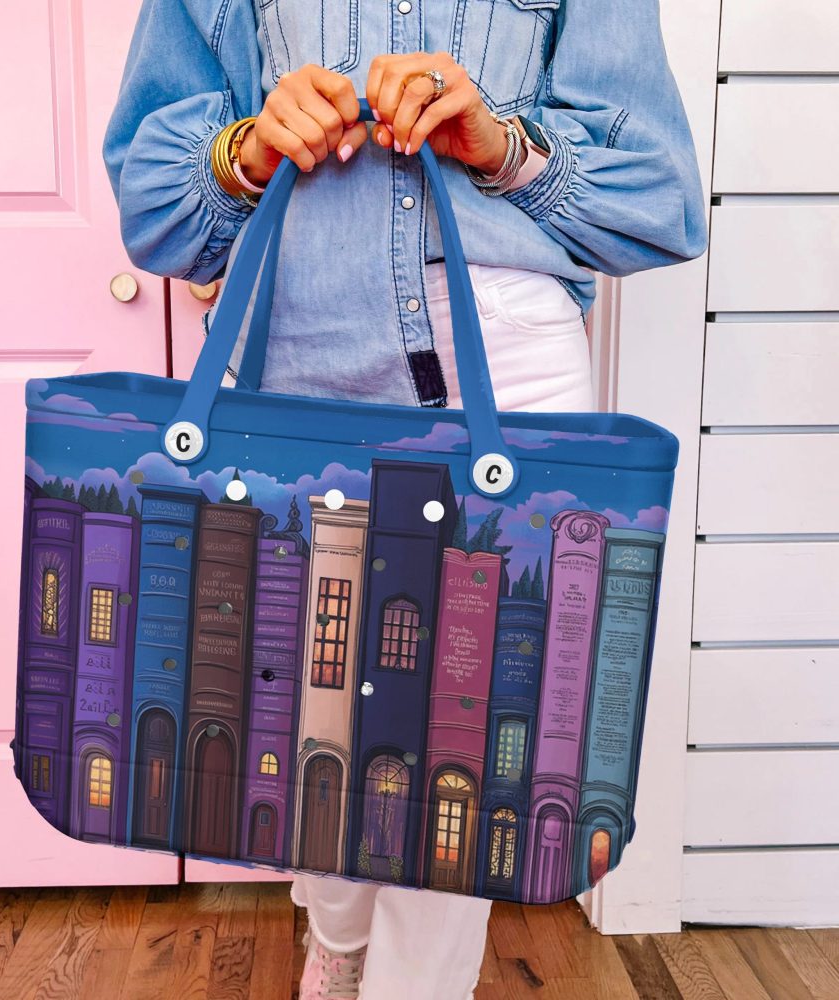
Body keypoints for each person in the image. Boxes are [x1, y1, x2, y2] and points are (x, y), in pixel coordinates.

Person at [103, 2, 707, 997]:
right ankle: (337, 936)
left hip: (499, 366)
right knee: (306, 717)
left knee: (458, 744)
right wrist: (247, 150)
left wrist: (503, 145)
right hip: (291, 353)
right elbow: (153, 206)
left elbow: (659, 196)